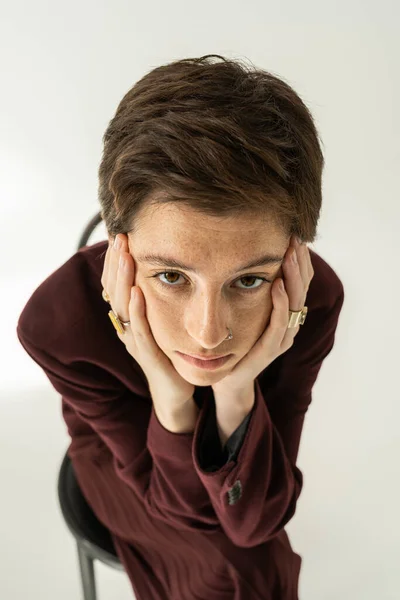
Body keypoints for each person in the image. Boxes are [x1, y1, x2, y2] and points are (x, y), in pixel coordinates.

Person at [16, 54, 345, 599]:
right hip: (119, 461)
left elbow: (255, 520)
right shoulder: (58, 328)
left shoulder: (310, 301)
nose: (208, 333)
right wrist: (170, 398)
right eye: (171, 275)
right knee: (239, 571)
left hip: (232, 471)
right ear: (121, 252)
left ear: (292, 255)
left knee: (243, 559)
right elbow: (181, 507)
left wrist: (235, 392)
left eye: (248, 280)